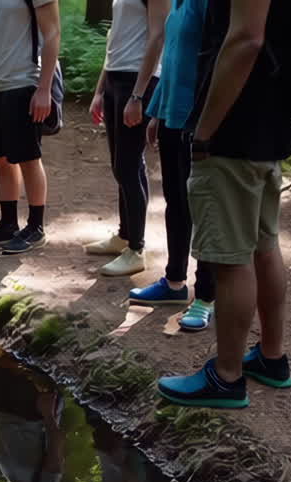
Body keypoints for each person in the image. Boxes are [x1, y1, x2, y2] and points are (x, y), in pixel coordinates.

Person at [156, 0, 291, 408]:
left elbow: (246, 40)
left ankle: (227, 377)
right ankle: (271, 359)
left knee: (232, 259)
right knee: (263, 246)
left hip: (234, 131)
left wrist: (205, 131)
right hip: (270, 122)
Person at [126, 0, 218, 333]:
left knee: (204, 208)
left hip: (200, 121)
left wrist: (205, 124)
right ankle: (174, 282)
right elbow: (174, 59)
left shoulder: (210, 4)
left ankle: (206, 296)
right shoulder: (179, 3)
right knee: (176, 204)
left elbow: (216, 62)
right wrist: (157, 111)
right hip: (173, 117)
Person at [0, 0, 61, 256]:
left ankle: (35, 228)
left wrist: (44, 89)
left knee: (29, 158)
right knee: (1, 159)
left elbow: (52, 34)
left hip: (21, 83)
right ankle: (7, 225)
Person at [84, 0, 165, 277]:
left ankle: (136, 249)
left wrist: (138, 95)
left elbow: (158, 35)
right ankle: (124, 235)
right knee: (120, 164)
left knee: (128, 167)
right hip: (116, 80)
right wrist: (100, 90)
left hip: (138, 82)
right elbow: (114, 38)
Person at [0, 353, 65, 482]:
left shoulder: (3, 472)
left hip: (0, 408)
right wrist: (48, 414)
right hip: (28, 411)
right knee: (23, 357)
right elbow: (56, 444)